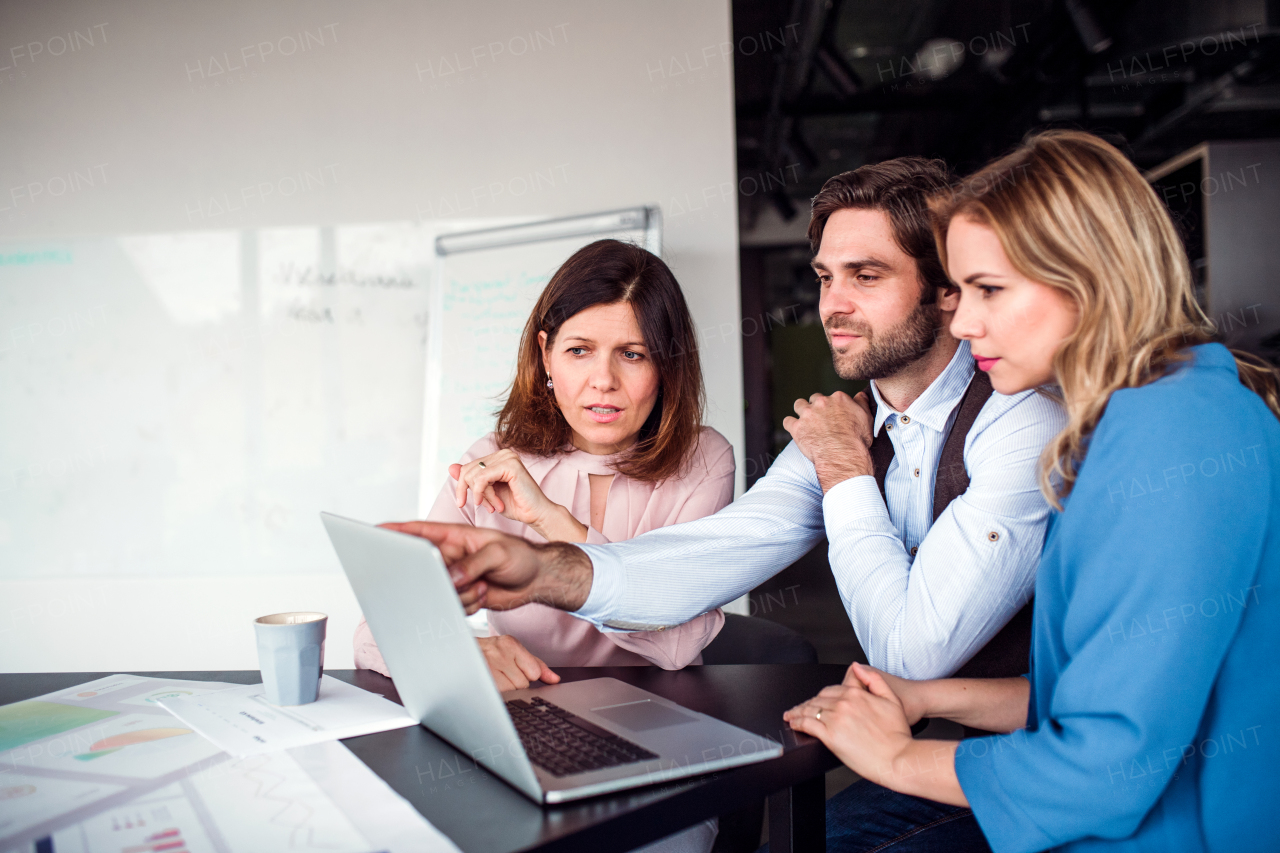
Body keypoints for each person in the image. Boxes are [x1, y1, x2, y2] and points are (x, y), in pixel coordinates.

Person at [383, 157, 1068, 851]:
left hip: (1057, 761)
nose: (833, 305)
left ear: (944, 291)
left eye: (867, 275)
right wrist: (539, 569)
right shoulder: (838, 429)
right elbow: (702, 561)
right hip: (936, 745)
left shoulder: (1018, 422)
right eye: (826, 277)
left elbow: (912, 651)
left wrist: (842, 467)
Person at [783, 130, 1280, 852]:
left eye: (989, 289)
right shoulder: (1144, 418)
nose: (962, 319)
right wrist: (927, 696)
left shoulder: (1171, 438)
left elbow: (1105, 766)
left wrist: (894, 755)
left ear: (1089, 276)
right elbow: (1097, 694)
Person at [357, 238, 731, 853]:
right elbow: (379, 629)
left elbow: (673, 644)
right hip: (518, 729)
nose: (602, 382)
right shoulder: (491, 458)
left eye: (632, 354)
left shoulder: (703, 460)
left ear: (668, 365)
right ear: (546, 355)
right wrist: (457, 651)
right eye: (579, 350)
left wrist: (552, 518)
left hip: (655, 734)